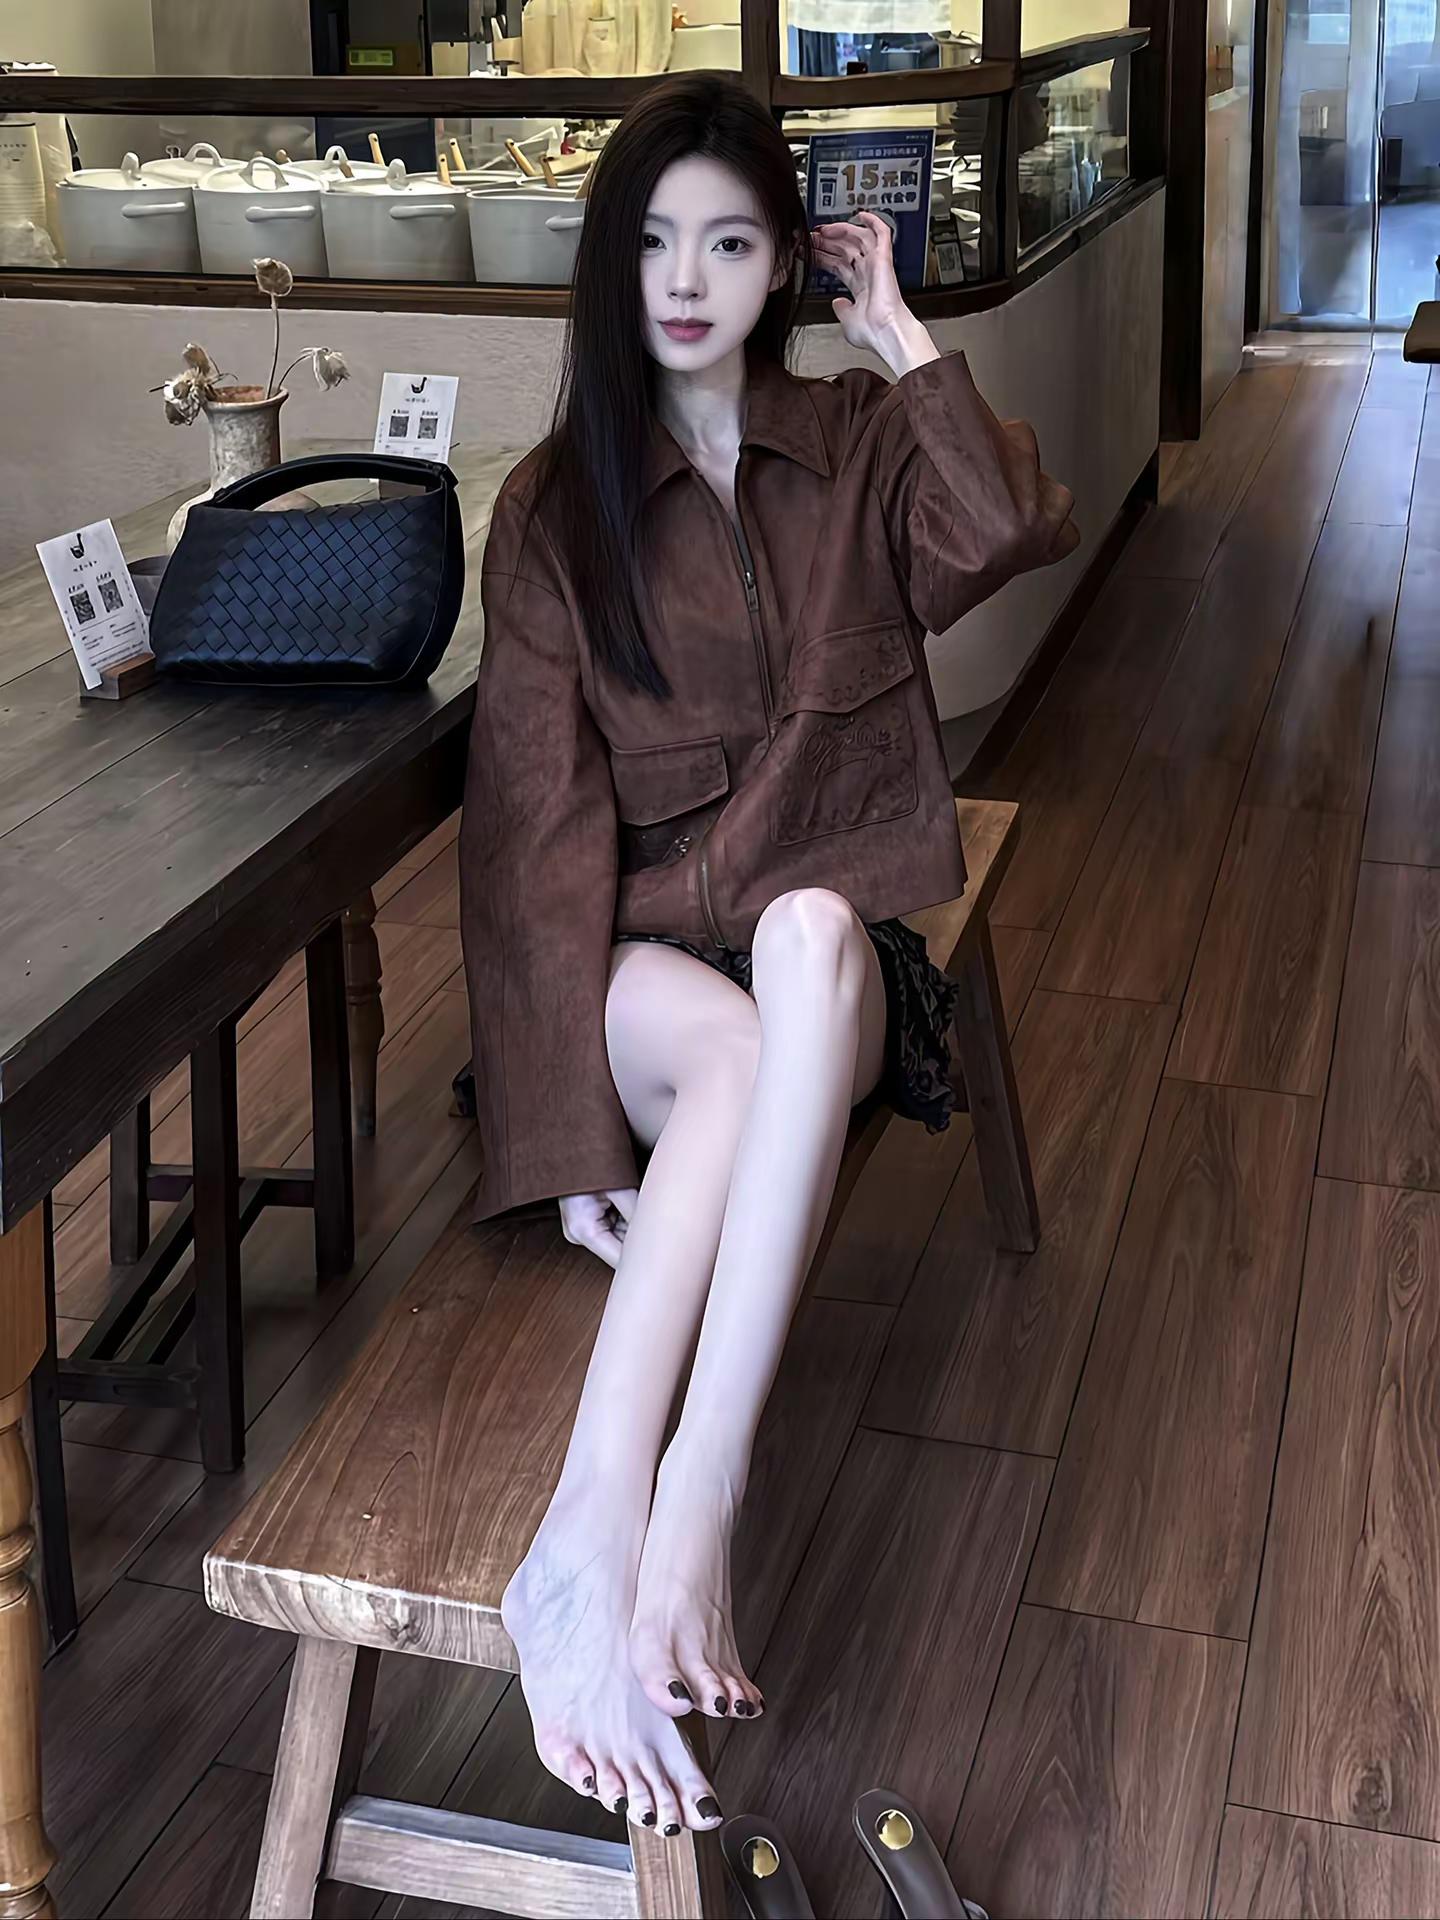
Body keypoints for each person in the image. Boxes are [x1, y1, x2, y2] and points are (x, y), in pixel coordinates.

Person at [459, 71, 1077, 1842]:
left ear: (785, 260)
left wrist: (900, 340)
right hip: (644, 964)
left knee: (806, 933)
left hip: (823, 963)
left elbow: (1009, 533)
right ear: (613, 261)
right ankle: (595, 1534)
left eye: (730, 243)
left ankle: (692, 1505)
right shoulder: (554, 513)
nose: (686, 279)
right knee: (720, 1044)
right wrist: (567, 1138)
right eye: (655, 241)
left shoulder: (857, 446)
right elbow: (530, 845)